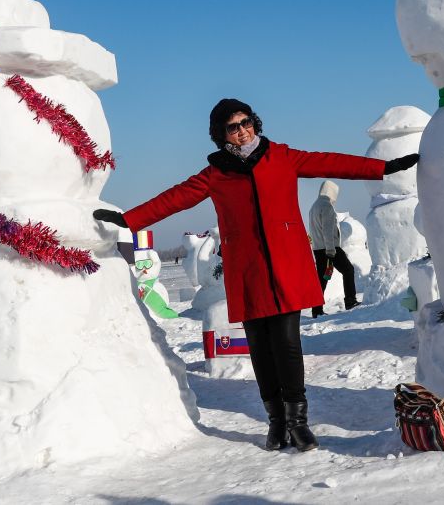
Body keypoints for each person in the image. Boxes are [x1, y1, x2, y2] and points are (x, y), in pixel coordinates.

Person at [93, 98, 418, 452]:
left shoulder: (282, 156)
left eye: (246, 121)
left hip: (285, 265)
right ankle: (276, 423)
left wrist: (384, 168)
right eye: (234, 126)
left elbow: (331, 162)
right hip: (247, 270)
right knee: (261, 350)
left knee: (288, 345)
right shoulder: (216, 174)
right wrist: (129, 220)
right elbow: (175, 199)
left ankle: (298, 423)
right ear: (222, 135)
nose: (243, 129)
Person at [308, 180, 359, 318]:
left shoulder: (314, 207)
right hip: (330, 248)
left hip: (318, 249)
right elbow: (328, 230)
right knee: (348, 270)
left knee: (322, 278)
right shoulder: (327, 206)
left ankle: (316, 310)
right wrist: (331, 250)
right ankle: (350, 300)